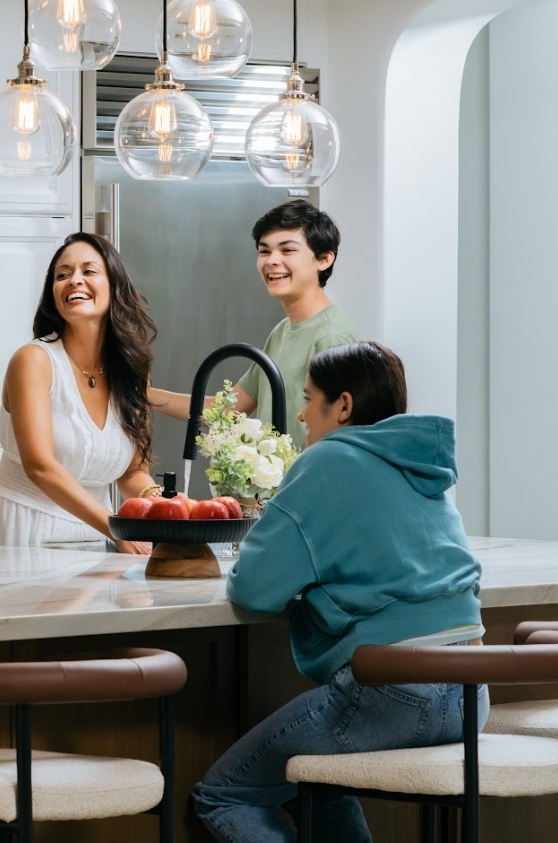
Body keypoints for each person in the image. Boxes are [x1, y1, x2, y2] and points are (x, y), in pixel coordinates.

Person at [193, 342, 484, 843]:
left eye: (310, 399)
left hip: (393, 694)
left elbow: (255, 589)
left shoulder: (329, 458)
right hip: (472, 693)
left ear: (343, 406)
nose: (302, 414)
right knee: (315, 777)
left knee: (225, 793)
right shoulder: (423, 464)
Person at [0, 232, 161, 554]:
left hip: (95, 536)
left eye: (89, 271)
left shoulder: (131, 371)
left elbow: (132, 471)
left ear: (114, 286)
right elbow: (40, 465)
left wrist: (164, 507)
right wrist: (117, 528)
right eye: (63, 275)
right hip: (22, 527)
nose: (74, 281)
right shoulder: (34, 360)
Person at [149, 199, 357, 449]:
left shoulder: (332, 337)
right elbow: (229, 410)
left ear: (324, 259)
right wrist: (145, 396)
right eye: (264, 251)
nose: (272, 261)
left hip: (305, 485)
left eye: (287, 250)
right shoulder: (282, 331)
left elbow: (338, 442)